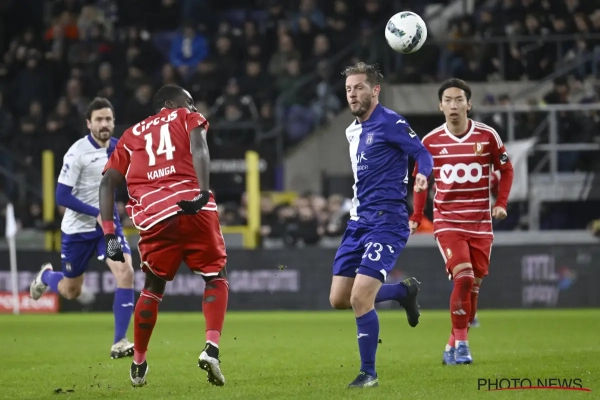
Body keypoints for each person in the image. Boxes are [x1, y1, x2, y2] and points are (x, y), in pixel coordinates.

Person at [98, 85, 228, 388]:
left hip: (155, 216)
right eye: (189, 101)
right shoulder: (185, 116)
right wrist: (203, 191)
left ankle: (139, 363)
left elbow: (107, 184)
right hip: (194, 208)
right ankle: (211, 349)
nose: (193, 106)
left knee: (152, 288)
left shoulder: (130, 135)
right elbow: (199, 146)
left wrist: (109, 235)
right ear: (170, 103)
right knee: (216, 276)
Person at [328, 62, 433, 388]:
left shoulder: (391, 122)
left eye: (359, 87)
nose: (352, 94)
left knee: (361, 298)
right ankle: (403, 292)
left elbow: (423, 153)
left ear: (375, 90)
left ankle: (368, 374)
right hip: (358, 222)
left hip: (388, 221)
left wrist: (422, 174)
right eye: (348, 89)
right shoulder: (352, 131)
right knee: (339, 299)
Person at [409, 79, 514, 365]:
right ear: (440, 106)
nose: (453, 105)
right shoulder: (430, 142)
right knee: (464, 277)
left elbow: (506, 169)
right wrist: (417, 216)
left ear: (469, 104)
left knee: (473, 289)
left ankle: (451, 345)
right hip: (448, 222)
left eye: (458, 100)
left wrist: (501, 203)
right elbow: (420, 181)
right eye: (448, 100)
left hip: (480, 223)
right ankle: (463, 346)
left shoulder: (488, 136)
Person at [29, 98, 135, 360]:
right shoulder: (77, 153)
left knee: (125, 272)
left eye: (108, 119)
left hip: (107, 230)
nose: (104, 124)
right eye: (99, 120)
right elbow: (61, 196)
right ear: (89, 123)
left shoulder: (120, 147)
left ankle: (119, 341)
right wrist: (95, 212)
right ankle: (47, 276)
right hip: (77, 232)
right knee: (71, 290)